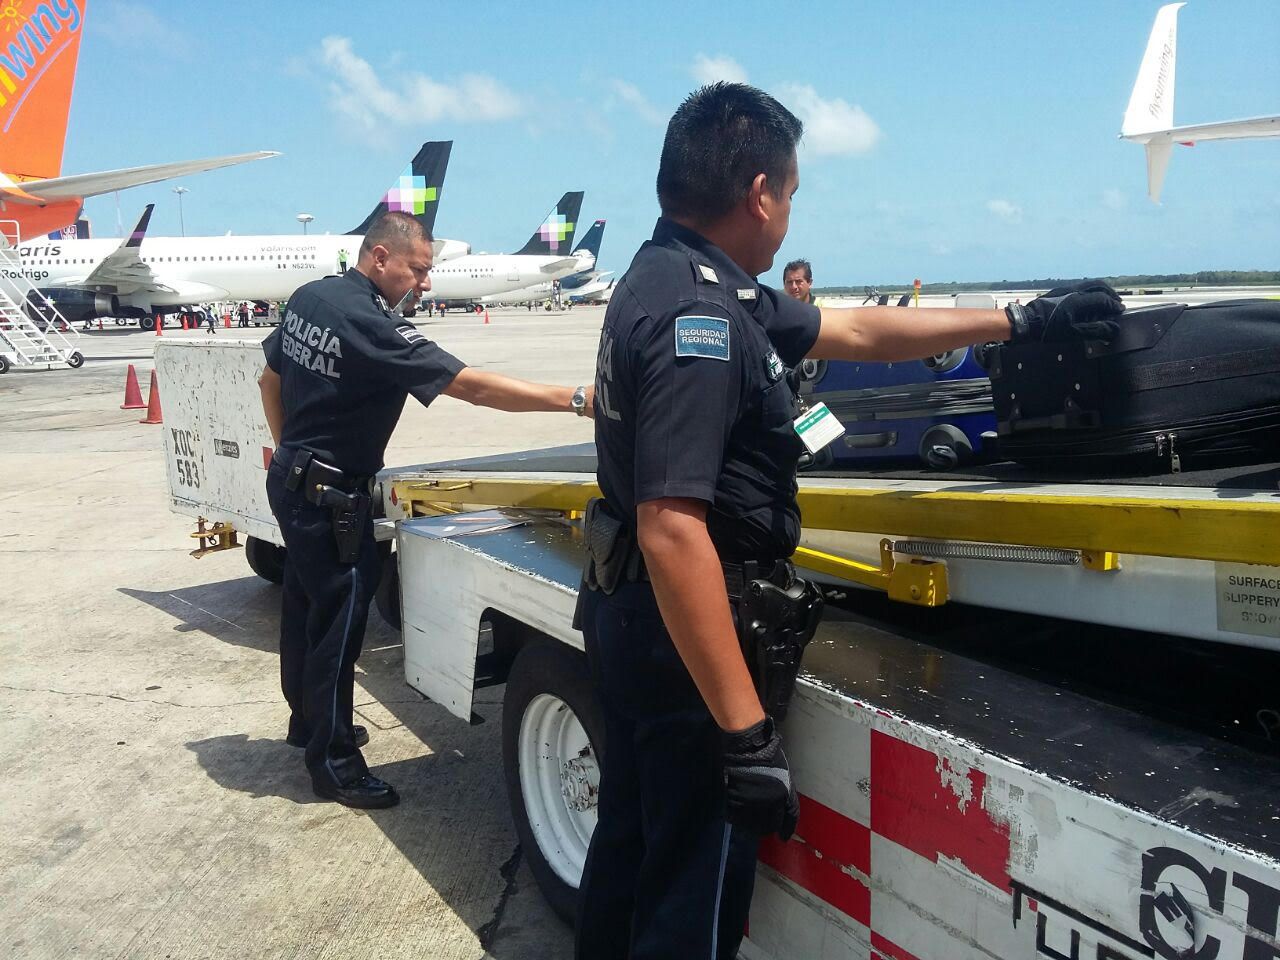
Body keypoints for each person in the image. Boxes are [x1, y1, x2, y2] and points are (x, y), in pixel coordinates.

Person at [576, 81, 1124, 960]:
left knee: (631, 844)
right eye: (792, 193)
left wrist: (1018, 320)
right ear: (761, 193)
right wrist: (745, 733)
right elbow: (671, 527)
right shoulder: (699, 317)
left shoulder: (681, 275)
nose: (791, 212)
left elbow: (859, 333)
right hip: (686, 643)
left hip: (635, 622)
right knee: (692, 894)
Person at [258, 210, 593, 810]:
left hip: (291, 480)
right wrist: (574, 399)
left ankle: (309, 724)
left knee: (304, 608)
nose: (425, 282)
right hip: (331, 498)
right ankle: (333, 765)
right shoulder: (373, 325)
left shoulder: (311, 297)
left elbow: (268, 381)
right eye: (418, 269)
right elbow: (471, 386)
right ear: (380, 258)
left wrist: (294, 459)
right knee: (338, 628)